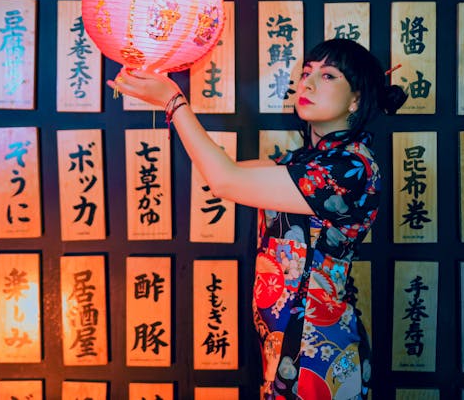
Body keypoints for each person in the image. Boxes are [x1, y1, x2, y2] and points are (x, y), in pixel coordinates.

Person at [109, 38, 407, 399]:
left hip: (319, 352)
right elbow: (224, 173)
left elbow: (225, 181)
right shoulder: (305, 162)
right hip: (286, 348)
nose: (308, 84)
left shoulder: (350, 168)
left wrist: (174, 102)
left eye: (328, 76)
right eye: (306, 73)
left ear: (356, 99)